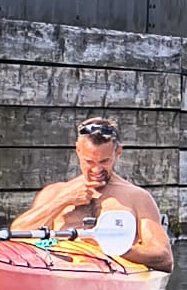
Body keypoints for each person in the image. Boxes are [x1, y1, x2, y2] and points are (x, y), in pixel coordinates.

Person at [10, 115, 174, 272]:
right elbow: (16, 235)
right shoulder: (55, 193)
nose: (96, 170)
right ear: (78, 150)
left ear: (118, 153)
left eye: (104, 161)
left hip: (111, 276)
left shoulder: (137, 198)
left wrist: (112, 247)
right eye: (89, 162)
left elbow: (164, 258)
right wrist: (63, 200)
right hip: (60, 271)